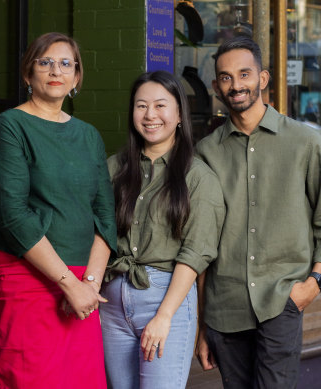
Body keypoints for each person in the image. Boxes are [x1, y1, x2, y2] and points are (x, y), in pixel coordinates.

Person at [0, 32, 117, 389]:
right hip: (28, 277)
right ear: (28, 74)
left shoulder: (88, 135)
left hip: (83, 283)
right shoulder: (9, 126)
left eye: (65, 63)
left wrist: (88, 284)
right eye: (45, 62)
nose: (55, 70)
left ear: (76, 77)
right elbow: (12, 215)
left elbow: (106, 215)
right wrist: (68, 284)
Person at [195, 36, 321, 389]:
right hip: (225, 307)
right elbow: (202, 241)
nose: (236, 85)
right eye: (225, 77)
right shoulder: (206, 152)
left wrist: (314, 284)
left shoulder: (306, 142)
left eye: (244, 74)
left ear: (263, 79)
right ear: (216, 86)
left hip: (282, 299)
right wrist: (202, 327)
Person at [100, 71, 225, 389]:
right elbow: (97, 232)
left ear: (180, 114)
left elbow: (196, 253)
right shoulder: (114, 168)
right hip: (112, 303)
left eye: (160, 105)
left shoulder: (197, 177)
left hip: (165, 298)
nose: (150, 115)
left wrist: (164, 315)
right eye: (141, 106)